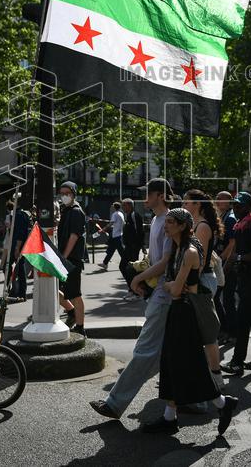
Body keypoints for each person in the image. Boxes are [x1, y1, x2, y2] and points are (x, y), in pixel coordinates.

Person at [140, 207, 239, 435]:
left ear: (183, 225)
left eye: (171, 222)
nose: (166, 225)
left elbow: (175, 289)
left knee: (190, 365)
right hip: (178, 310)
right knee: (170, 362)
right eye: (166, 221)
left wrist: (168, 285)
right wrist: (172, 284)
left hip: (186, 313)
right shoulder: (178, 248)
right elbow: (175, 285)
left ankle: (223, 404)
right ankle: (170, 416)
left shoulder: (190, 252)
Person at [89, 178, 173, 419]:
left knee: (145, 351)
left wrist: (138, 279)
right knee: (169, 351)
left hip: (164, 293)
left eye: (148, 193)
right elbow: (156, 259)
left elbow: (165, 262)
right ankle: (204, 399)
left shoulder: (168, 220)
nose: (143, 198)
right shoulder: (156, 220)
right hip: (159, 291)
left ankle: (114, 403)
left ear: (160, 195)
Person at [221, 191, 251, 374]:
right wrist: (223, 273)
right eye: (234, 204)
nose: (236, 207)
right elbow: (233, 252)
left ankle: (237, 362)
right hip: (245, 278)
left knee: (243, 320)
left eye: (239, 205)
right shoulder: (239, 224)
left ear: (249, 206)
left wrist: (240, 258)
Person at [182, 189, 224, 388]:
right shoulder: (195, 224)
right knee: (197, 332)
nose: (183, 205)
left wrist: (190, 284)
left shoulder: (202, 227)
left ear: (197, 205)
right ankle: (202, 377)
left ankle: (216, 378)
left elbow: (199, 260)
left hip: (202, 280)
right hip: (198, 280)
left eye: (187, 202)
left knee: (207, 333)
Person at [56, 181, 87, 337]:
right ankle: (72, 312)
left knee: (75, 294)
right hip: (65, 259)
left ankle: (80, 327)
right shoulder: (66, 210)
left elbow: (74, 236)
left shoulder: (76, 211)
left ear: (74, 194)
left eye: (67, 193)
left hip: (71, 260)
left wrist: (64, 257)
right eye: (62, 193)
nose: (64, 196)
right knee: (54, 290)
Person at [216, 191, 238, 344]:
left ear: (228, 202)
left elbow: (232, 243)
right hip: (224, 263)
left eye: (220, 199)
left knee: (226, 299)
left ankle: (230, 331)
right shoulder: (224, 216)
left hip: (228, 265)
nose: (217, 201)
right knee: (222, 298)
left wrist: (221, 260)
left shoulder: (230, 218)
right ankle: (227, 330)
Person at [119, 198, 145, 294]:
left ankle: (135, 290)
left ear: (129, 206)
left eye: (124, 205)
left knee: (129, 268)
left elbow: (140, 231)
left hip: (133, 247)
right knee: (126, 267)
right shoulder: (129, 216)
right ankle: (134, 288)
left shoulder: (134, 215)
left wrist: (141, 245)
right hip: (129, 246)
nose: (122, 207)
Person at [97, 202, 126, 271]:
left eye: (112, 206)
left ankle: (127, 263)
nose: (111, 207)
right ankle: (105, 263)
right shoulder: (121, 214)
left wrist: (102, 230)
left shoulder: (115, 214)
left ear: (114, 207)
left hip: (116, 235)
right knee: (111, 250)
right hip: (118, 234)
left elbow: (110, 223)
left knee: (121, 251)